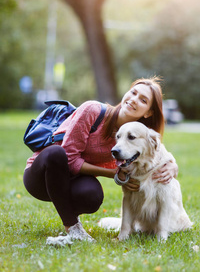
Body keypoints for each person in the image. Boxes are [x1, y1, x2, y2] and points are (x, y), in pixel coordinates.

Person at [23, 77, 178, 242]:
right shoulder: (93, 110)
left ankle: (66, 211)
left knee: (93, 195)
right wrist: (112, 173)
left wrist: (173, 165)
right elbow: (68, 158)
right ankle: (73, 227)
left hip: (72, 181)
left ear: (148, 112)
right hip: (41, 176)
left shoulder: (136, 138)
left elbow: (157, 151)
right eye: (133, 92)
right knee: (56, 153)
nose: (134, 100)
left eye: (143, 100)